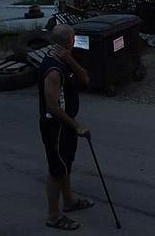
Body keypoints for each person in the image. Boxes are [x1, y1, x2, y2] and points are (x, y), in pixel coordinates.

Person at [38, 24, 92, 231]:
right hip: (56, 127)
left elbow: (85, 79)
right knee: (56, 170)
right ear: (70, 41)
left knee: (65, 164)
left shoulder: (64, 61)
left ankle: (69, 201)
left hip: (66, 124)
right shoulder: (53, 70)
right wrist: (76, 126)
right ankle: (53, 215)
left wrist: (70, 59)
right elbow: (51, 106)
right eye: (74, 39)